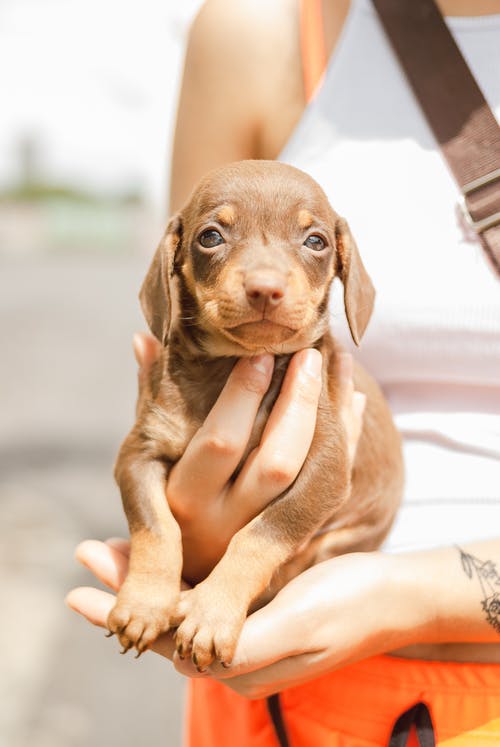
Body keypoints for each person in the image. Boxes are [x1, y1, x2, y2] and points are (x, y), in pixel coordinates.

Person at [66, 0, 500, 744]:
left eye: (307, 244)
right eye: (214, 239)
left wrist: (400, 593)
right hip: (275, 692)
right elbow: (172, 408)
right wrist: (182, 543)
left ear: (344, 271)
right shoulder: (254, 30)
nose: (266, 279)